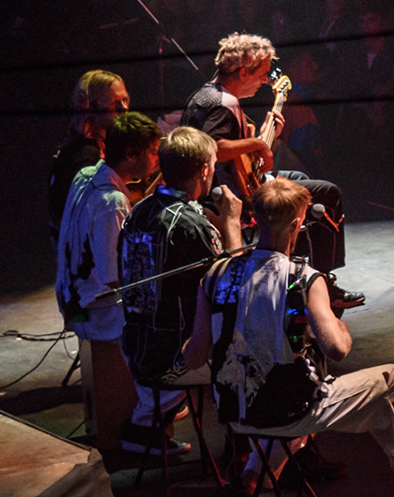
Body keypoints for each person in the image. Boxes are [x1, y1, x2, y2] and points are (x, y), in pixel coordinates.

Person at [181, 178, 394, 497]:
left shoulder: (216, 274)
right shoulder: (302, 277)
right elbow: (338, 349)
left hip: (234, 412)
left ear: (255, 219)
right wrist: (334, 322)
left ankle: (247, 484)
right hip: (289, 411)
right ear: (298, 224)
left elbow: (193, 358)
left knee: (301, 390)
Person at [180, 32, 361, 304]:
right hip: (230, 197)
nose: (266, 81)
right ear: (242, 72)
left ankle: (292, 266)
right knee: (327, 193)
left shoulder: (205, 95)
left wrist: (267, 137)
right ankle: (322, 283)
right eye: (262, 74)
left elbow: (239, 156)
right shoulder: (223, 103)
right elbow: (211, 147)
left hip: (229, 185)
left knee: (298, 179)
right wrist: (257, 142)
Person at [117, 127, 246, 459]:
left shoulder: (138, 211)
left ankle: (148, 425)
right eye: (214, 164)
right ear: (204, 170)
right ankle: (249, 453)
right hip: (172, 360)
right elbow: (231, 287)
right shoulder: (190, 224)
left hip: (135, 348)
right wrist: (232, 223)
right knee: (252, 350)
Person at [56, 112, 163, 449]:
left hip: (72, 294)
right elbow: (114, 278)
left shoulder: (88, 174)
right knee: (165, 325)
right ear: (131, 155)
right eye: (153, 152)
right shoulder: (112, 203)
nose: (157, 159)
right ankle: (144, 423)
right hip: (96, 311)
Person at [48, 69, 128, 240]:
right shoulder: (84, 157)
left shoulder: (86, 147)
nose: (124, 108)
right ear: (91, 107)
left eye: (125, 99)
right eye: (114, 102)